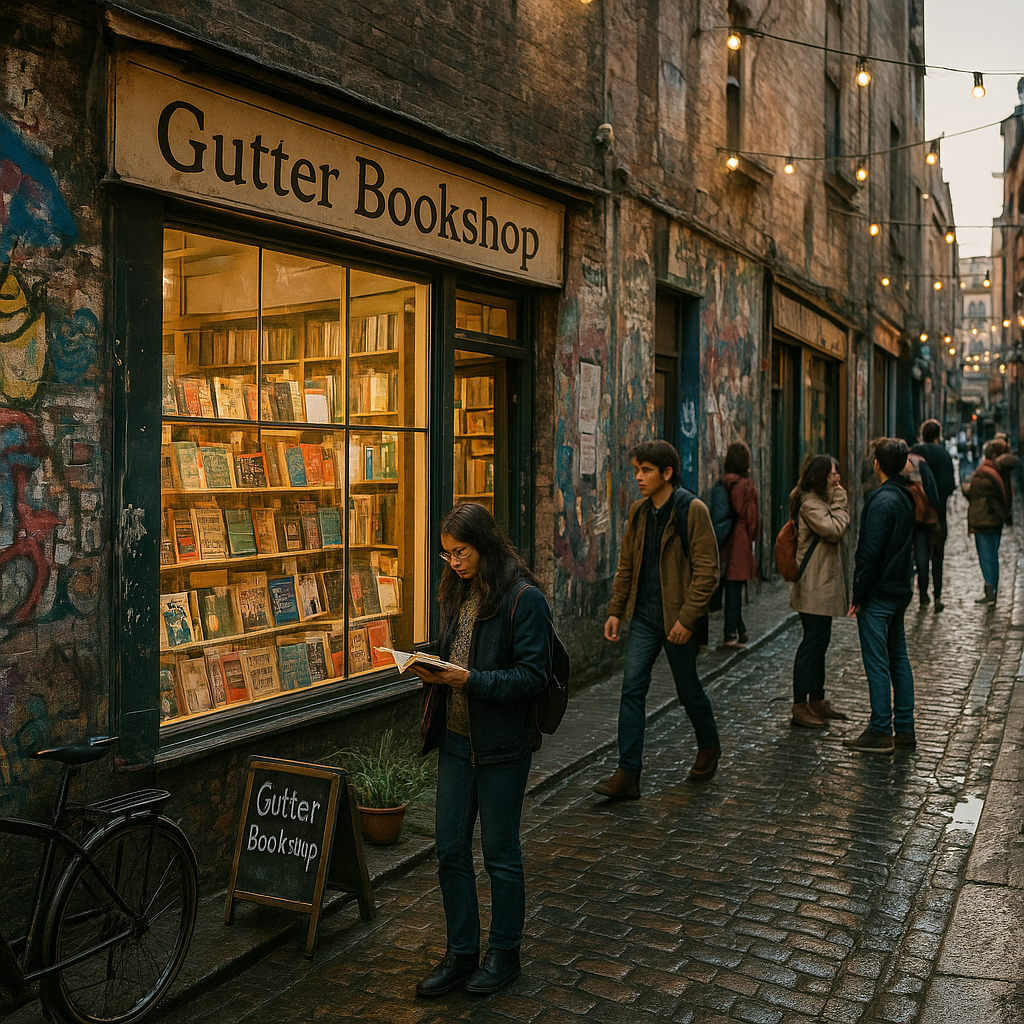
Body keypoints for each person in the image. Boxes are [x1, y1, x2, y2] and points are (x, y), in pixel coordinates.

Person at [412, 502, 553, 998]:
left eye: (462, 552)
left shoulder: (523, 598)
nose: (453, 562)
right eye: (447, 554)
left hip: (501, 747)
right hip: (455, 741)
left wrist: (470, 680)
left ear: (485, 544)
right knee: (449, 850)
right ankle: (461, 952)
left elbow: (533, 677)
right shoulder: (455, 590)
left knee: (500, 855)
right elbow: (456, 648)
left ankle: (505, 954)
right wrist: (424, 659)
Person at [592, 440, 721, 801]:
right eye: (637, 470)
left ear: (667, 473)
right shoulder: (639, 511)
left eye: (646, 470)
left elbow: (708, 572)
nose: (638, 477)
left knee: (687, 688)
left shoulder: (692, 509)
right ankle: (628, 773)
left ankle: (709, 745)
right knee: (632, 690)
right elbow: (627, 564)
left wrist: (687, 618)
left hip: (677, 619)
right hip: (645, 620)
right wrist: (616, 610)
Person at [844, 438, 917, 755]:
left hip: (880, 594)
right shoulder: (904, 497)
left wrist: (858, 593)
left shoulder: (881, 500)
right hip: (898, 590)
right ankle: (904, 728)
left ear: (877, 464)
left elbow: (869, 554)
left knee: (878, 662)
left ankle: (880, 729)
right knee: (898, 658)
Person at [787, 454, 850, 728]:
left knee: (820, 641)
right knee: (811, 644)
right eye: (833, 474)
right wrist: (840, 498)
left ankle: (817, 699)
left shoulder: (818, 500)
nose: (838, 478)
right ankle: (800, 704)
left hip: (821, 584)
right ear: (822, 477)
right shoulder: (810, 503)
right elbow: (834, 529)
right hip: (812, 585)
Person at [718, 440, 760, 648]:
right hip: (740, 541)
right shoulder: (744, 485)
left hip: (728, 540)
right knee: (734, 590)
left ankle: (740, 630)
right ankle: (730, 634)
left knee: (732, 588)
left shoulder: (725, 482)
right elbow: (750, 517)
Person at [911, 420, 956, 612]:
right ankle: (937, 596)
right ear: (938, 434)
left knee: (921, 556)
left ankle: (923, 597)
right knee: (937, 556)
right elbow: (950, 485)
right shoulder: (943, 454)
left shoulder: (914, 452)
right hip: (938, 514)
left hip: (918, 513)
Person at [962, 438, 1012, 605]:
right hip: (996, 518)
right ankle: (993, 587)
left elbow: (972, 492)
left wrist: (965, 487)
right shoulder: (1001, 471)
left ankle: (990, 588)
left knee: (986, 555)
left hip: (982, 519)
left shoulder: (984, 473)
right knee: (993, 554)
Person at [901, 449, 940, 608]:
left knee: (904, 556)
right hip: (921, 520)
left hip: (904, 519)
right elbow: (932, 492)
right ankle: (923, 595)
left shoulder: (897, 466)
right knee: (922, 557)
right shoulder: (921, 465)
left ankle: (906, 590)